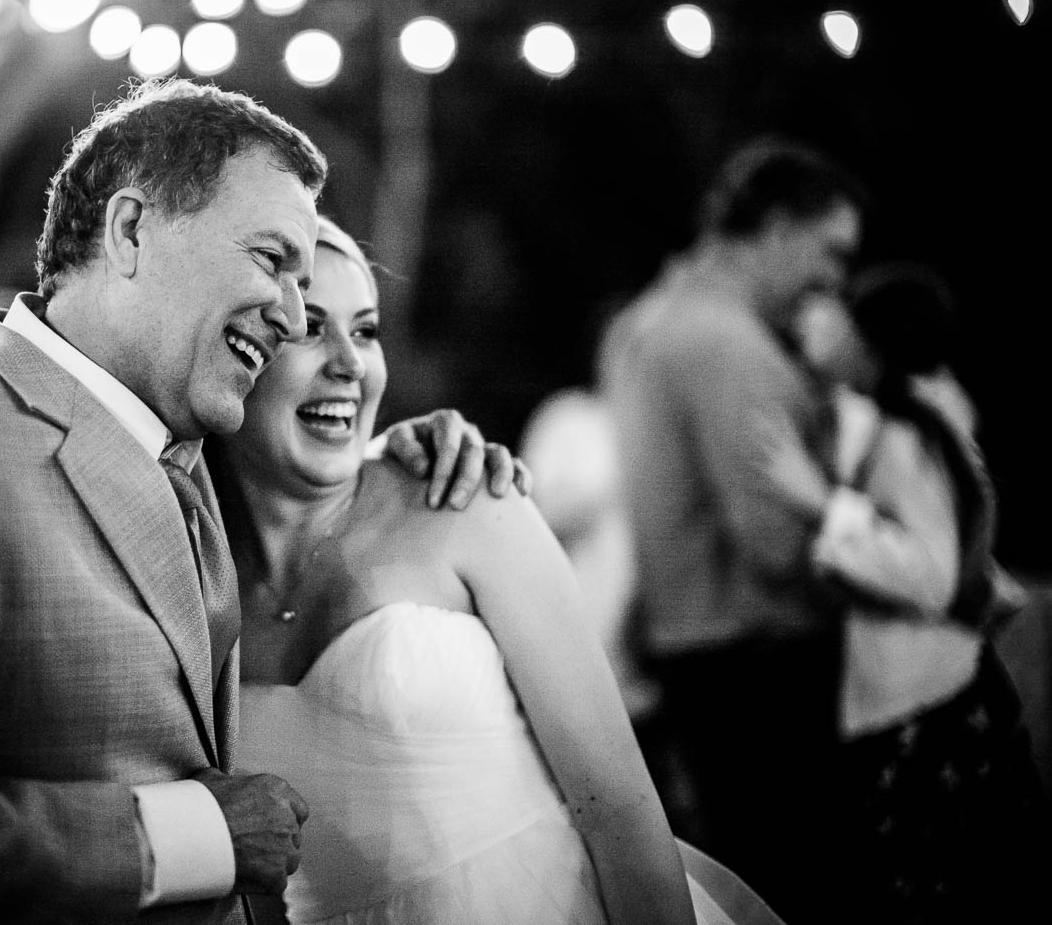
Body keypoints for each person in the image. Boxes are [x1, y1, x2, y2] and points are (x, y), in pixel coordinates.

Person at [0, 78, 521, 925]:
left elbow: (306, 480)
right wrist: (199, 834)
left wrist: (411, 454)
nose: (293, 314)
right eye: (272, 261)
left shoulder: (192, 461)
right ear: (130, 231)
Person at [216, 216, 784, 925]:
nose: (350, 363)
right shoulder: (189, 581)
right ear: (235, 352)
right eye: (309, 328)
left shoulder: (462, 501)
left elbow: (621, 814)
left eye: (365, 331)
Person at [600, 136, 866, 924]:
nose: (837, 280)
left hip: (698, 660)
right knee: (792, 889)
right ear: (778, 228)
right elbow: (781, 546)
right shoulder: (729, 344)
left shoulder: (645, 323)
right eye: (831, 251)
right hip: (765, 671)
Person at [764, 262, 1049, 924]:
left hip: (926, 703)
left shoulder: (903, 437)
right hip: (923, 695)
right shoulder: (911, 422)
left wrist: (823, 507)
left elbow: (930, 575)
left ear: (875, 346)